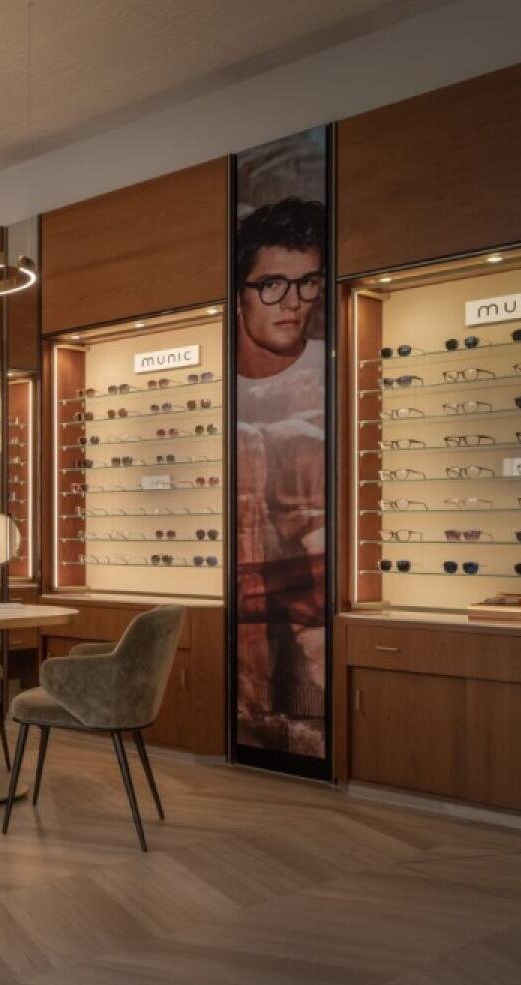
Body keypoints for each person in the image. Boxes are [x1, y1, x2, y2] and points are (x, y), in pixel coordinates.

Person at [232, 197, 328, 757]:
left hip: (308, 596)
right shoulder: (232, 387)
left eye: (306, 283)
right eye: (271, 284)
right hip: (244, 608)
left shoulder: (327, 372)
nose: (291, 302)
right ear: (241, 292)